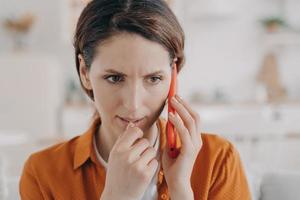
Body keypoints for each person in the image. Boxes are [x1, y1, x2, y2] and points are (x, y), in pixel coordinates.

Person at [19, 0, 251, 199]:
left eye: (153, 78)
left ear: (174, 74)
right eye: (114, 78)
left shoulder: (218, 161)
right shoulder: (42, 174)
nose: (133, 104)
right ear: (84, 72)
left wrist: (181, 190)